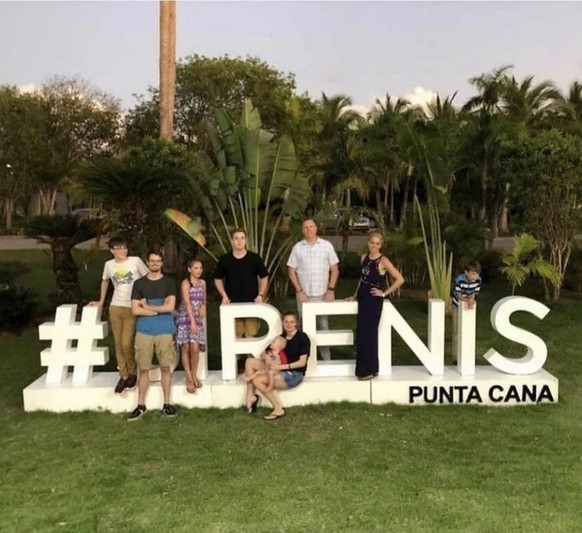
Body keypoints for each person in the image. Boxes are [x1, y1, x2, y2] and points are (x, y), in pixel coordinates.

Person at [89, 236, 149, 394]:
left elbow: (148, 278)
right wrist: (101, 301)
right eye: (119, 248)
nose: (123, 251)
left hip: (132, 307)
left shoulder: (135, 261)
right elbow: (105, 281)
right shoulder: (109, 265)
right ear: (112, 250)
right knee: (118, 342)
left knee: (126, 342)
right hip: (115, 307)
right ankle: (123, 374)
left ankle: (133, 371)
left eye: (124, 248)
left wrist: (145, 300)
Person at [346, 232, 404, 380]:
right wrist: (354, 295)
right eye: (372, 242)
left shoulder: (383, 260)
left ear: (381, 245)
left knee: (369, 334)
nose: (374, 246)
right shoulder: (363, 258)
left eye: (377, 243)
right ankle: (367, 368)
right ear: (368, 243)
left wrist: (384, 293)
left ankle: (368, 370)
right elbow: (362, 279)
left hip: (373, 300)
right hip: (363, 297)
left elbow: (399, 279)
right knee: (361, 333)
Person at [127, 251, 178, 421]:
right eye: (152, 261)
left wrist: (147, 307)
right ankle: (140, 405)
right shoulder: (139, 284)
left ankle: (167, 404)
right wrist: (157, 310)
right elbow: (135, 310)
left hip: (165, 331)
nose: (155, 263)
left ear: (162, 263)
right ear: (147, 263)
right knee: (143, 369)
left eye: (158, 261)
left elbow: (170, 307)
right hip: (144, 331)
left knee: (166, 368)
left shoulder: (169, 282)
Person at [287, 218, 339, 360]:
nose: (309, 229)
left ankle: (326, 358)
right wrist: (299, 291)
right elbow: (291, 271)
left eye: (311, 226)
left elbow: (334, 269)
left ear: (316, 228)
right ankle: (304, 359)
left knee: (323, 325)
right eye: (306, 227)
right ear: (302, 230)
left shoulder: (326, 246)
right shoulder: (297, 248)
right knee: (304, 326)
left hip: (322, 294)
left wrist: (331, 289)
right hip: (304, 295)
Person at [244, 312, 310, 420]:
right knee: (249, 361)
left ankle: (278, 408)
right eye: (286, 322)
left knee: (257, 380)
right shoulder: (281, 337)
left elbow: (302, 362)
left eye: (292, 322)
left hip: (293, 374)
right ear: (283, 323)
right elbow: (264, 352)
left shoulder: (302, 337)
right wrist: (267, 357)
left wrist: (280, 367)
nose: (289, 324)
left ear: (296, 323)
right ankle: (250, 397)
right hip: (277, 367)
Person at [214, 228, 269, 340]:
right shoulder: (225, 259)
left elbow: (264, 277)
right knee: (236, 336)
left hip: (252, 302)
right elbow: (217, 278)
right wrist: (224, 295)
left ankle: (250, 352)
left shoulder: (254, 258)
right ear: (232, 240)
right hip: (232, 303)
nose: (239, 241)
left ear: (245, 240)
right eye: (236, 238)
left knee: (251, 335)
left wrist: (261, 295)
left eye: (242, 238)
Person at [175, 258, 206, 394]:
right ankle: (188, 377)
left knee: (195, 347)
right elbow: (187, 303)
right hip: (185, 317)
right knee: (186, 347)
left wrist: (203, 305)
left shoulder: (202, 283)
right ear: (189, 269)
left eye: (200, 268)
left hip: (197, 316)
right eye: (196, 268)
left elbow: (204, 299)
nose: (199, 271)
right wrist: (192, 321)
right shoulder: (186, 283)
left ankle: (194, 374)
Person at [450, 261, 482, 363]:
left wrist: (471, 299)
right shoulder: (459, 280)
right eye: (473, 274)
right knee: (456, 331)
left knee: (468, 330)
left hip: (468, 305)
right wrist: (468, 300)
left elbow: (474, 293)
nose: (475, 276)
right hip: (457, 306)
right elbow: (458, 295)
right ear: (466, 272)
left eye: (477, 274)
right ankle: (455, 356)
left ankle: (466, 354)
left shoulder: (478, 280)